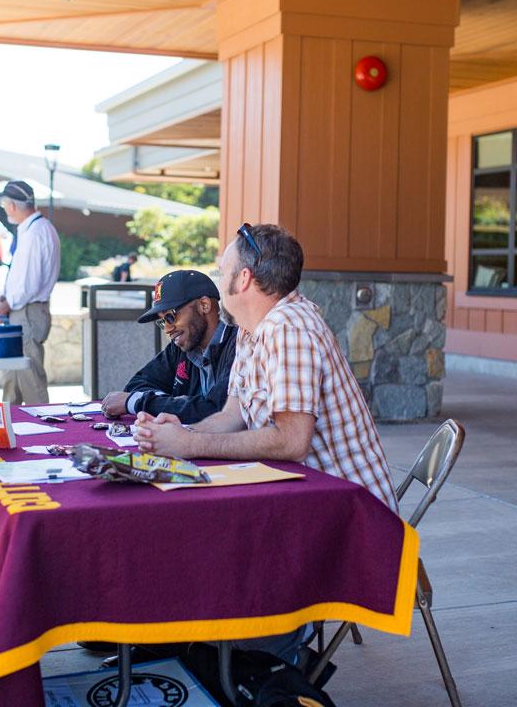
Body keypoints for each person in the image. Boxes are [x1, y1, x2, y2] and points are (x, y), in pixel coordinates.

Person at [135, 223, 398, 666]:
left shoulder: (290, 328)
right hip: (303, 499)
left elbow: (292, 441)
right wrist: (179, 434)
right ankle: (201, 652)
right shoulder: (253, 331)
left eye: (223, 270)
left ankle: (264, 674)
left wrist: (189, 445)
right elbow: (231, 417)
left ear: (244, 279)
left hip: (351, 521)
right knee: (205, 536)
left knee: (235, 553)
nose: (218, 280)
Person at [100, 270, 238, 423]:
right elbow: (136, 385)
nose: (167, 329)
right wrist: (174, 404)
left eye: (171, 316)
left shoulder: (239, 344)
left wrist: (142, 403)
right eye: (162, 321)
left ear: (204, 305)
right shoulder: (181, 346)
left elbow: (218, 411)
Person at [0, 180, 60, 404]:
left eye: (4, 204)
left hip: (26, 311)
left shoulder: (35, 232)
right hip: (22, 310)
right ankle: (12, 433)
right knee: (13, 382)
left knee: (31, 382)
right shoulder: (33, 229)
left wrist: (6, 303)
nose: (4, 209)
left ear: (12, 205)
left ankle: (43, 435)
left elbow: (28, 284)